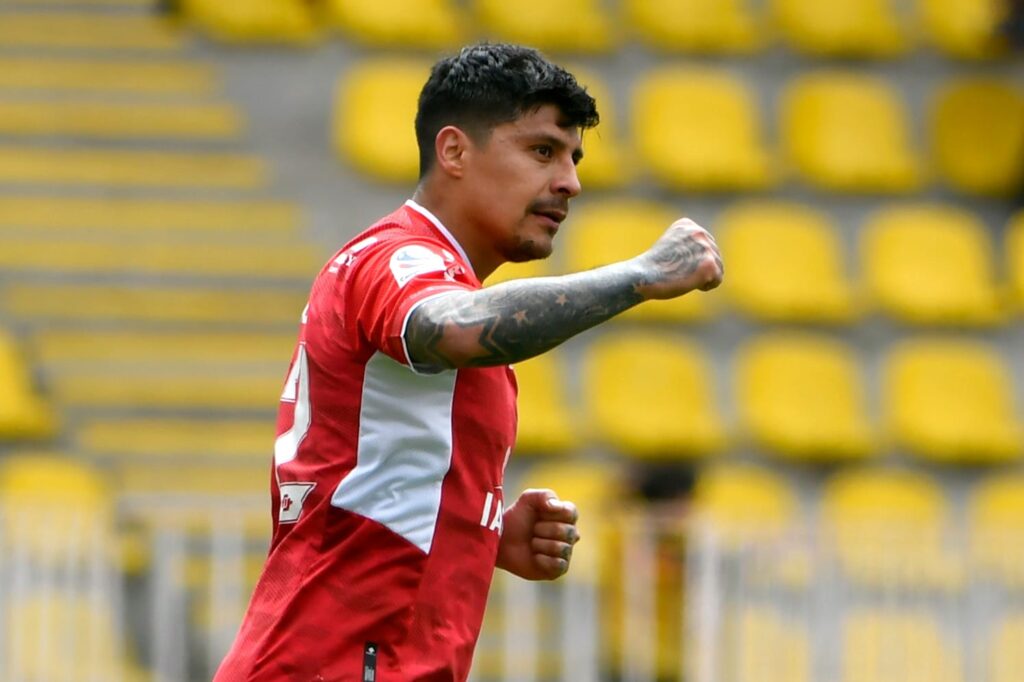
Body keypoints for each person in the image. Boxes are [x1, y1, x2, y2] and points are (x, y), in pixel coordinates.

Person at [214, 42, 723, 682]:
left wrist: (479, 532)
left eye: (573, 158)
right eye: (542, 151)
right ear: (454, 151)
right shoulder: (399, 258)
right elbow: (448, 329)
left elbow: (368, 479)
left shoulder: (434, 274)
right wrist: (641, 275)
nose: (570, 181)